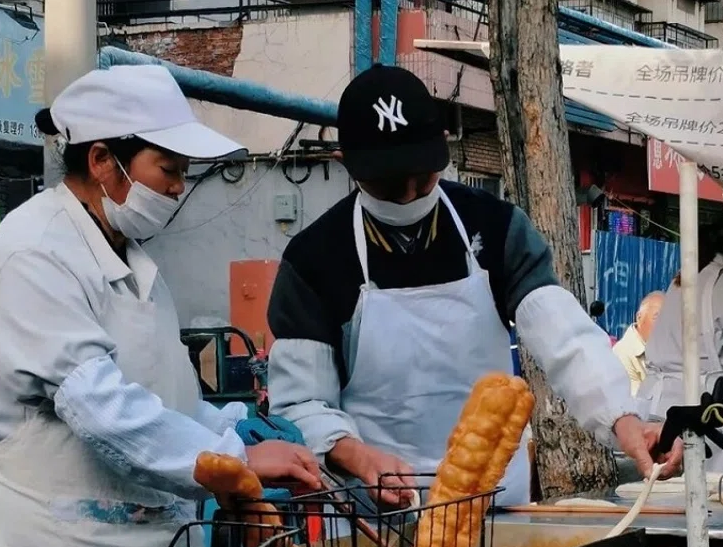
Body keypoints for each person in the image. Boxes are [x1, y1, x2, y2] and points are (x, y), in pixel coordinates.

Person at [0, 65, 322, 547]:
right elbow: (100, 406)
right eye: (167, 169)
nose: (176, 187)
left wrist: (230, 428)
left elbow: (161, 397)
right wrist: (234, 461)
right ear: (101, 162)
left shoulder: (134, 258)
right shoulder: (34, 253)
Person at [265, 64, 682, 508]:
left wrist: (624, 418)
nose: (409, 197)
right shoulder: (314, 258)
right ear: (343, 163)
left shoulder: (496, 229)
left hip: (495, 504)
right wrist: (357, 455)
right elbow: (301, 404)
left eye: (423, 178)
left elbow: (567, 338)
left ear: (444, 147)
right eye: (388, 185)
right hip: (377, 518)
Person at [636, 210, 723, 472]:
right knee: (711, 502)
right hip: (700, 413)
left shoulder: (684, 279)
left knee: (662, 502)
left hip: (656, 408)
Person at [613, 291, 665, 395]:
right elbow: (636, 402)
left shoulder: (666, 348)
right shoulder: (622, 354)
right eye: (657, 317)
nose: (662, 324)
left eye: (667, 319)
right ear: (639, 317)